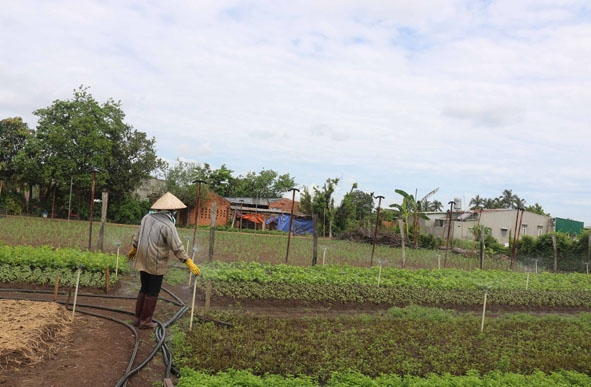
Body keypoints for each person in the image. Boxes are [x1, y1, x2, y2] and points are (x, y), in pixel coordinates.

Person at [127, 192, 201, 329]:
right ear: (173, 212)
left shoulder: (146, 218)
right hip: (156, 261)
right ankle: (146, 321)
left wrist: (134, 248)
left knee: (144, 287)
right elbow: (177, 247)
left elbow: (137, 236)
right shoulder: (168, 225)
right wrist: (188, 261)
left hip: (142, 258)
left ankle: (138, 318)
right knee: (153, 291)